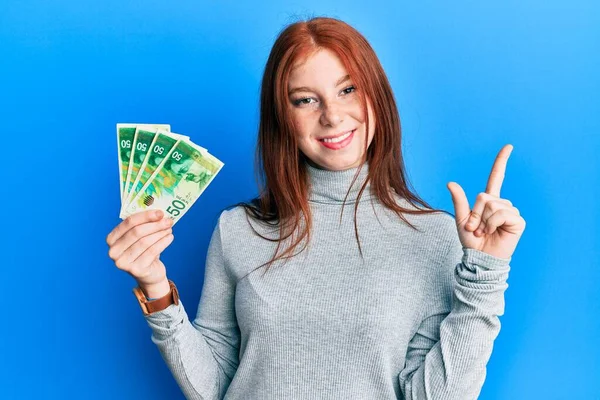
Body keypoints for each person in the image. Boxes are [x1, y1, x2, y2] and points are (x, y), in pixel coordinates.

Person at [106, 16, 526, 400]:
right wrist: (156, 288)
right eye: (305, 100)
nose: (332, 116)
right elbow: (213, 388)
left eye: (348, 90)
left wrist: (485, 275)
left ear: (375, 95)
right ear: (283, 118)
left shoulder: (437, 237)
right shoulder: (239, 229)